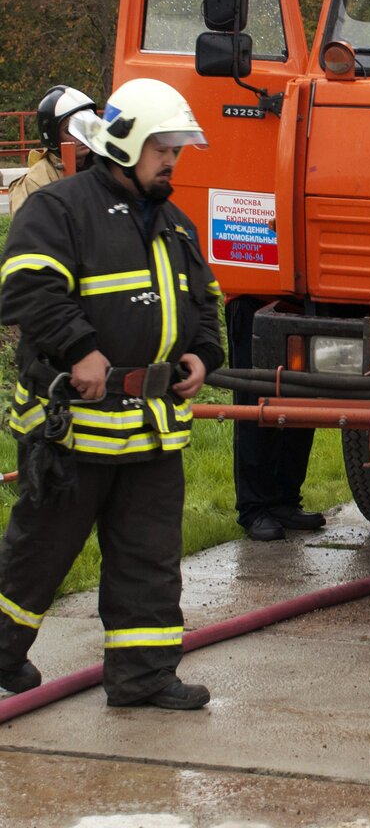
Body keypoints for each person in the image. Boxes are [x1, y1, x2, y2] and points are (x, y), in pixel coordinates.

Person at [0, 78, 223, 710]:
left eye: (177, 148)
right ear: (123, 144)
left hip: (153, 428)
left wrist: (202, 355)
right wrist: (79, 348)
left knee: (149, 560)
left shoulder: (175, 225)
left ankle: (144, 677)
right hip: (75, 425)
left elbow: (205, 305)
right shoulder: (62, 209)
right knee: (39, 553)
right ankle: (2, 655)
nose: (173, 160)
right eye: (162, 147)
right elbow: (25, 289)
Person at [229, 295, 323, 541]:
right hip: (255, 295)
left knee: (302, 406)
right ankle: (254, 508)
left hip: (309, 301)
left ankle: (285, 501)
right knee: (256, 405)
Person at [8, 85, 97, 216]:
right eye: (71, 130)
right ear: (52, 136)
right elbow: (31, 230)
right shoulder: (35, 181)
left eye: (84, 126)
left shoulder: (106, 166)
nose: (81, 135)